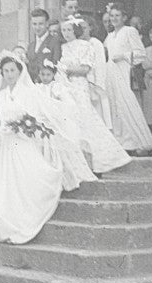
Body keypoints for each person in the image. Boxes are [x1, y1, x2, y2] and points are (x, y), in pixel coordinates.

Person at [0, 50, 64, 245]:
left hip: (22, 140)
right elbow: (0, 118)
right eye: (5, 71)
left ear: (20, 72)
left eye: (12, 70)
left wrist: (22, 127)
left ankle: (22, 225)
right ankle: (3, 228)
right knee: (5, 187)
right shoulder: (1, 94)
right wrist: (3, 129)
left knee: (24, 183)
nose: (9, 74)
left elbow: (35, 117)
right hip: (5, 145)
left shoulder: (29, 92)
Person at [56, 18, 136, 173]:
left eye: (69, 30)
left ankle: (104, 158)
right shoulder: (64, 47)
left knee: (86, 119)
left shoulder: (86, 46)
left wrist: (66, 69)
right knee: (72, 120)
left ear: (76, 31)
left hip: (79, 85)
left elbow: (85, 69)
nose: (66, 34)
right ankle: (81, 162)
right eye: (64, 30)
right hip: (67, 86)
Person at [36, 60, 102, 192]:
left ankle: (67, 178)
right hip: (43, 122)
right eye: (42, 74)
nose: (45, 77)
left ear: (53, 75)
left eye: (48, 74)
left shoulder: (58, 87)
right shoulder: (37, 87)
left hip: (56, 122)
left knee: (61, 148)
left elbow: (68, 104)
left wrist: (55, 110)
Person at [103, 5, 152, 154]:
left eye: (117, 16)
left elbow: (140, 53)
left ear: (124, 17)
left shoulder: (129, 31)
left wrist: (123, 56)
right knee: (114, 106)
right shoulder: (110, 35)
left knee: (126, 103)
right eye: (112, 16)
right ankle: (121, 141)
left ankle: (136, 141)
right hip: (111, 73)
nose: (114, 19)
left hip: (123, 71)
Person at [24, 8, 63, 82]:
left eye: (41, 24)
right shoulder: (31, 46)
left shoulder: (55, 42)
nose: (37, 27)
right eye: (34, 24)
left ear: (47, 23)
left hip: (49, 85)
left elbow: (56, 65)